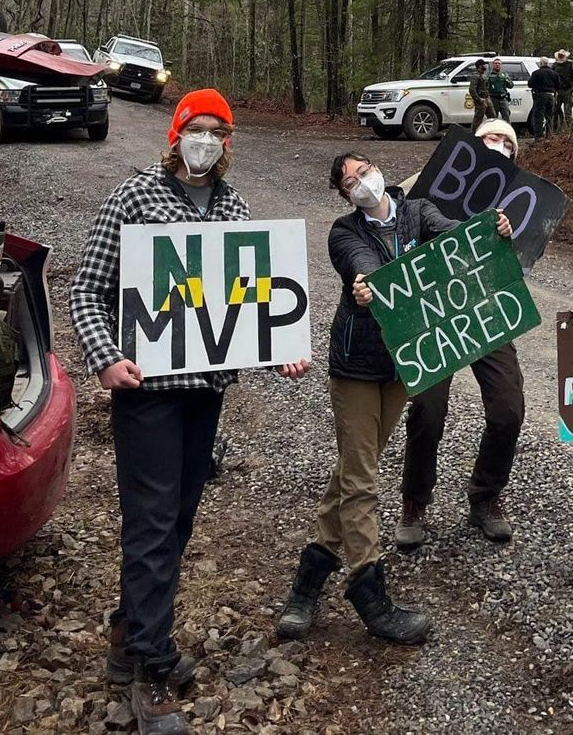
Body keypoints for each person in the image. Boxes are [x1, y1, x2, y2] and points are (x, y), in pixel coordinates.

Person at [69, 88, 311, 735]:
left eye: (218, 131)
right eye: (196, 128)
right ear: (175, 135)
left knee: (174, 522)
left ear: (229, 143)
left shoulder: (236, 209)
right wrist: (103, 357)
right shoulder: (133, 196)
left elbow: (246, 310)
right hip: (147, 395)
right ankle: (152, 669)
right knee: (150, 525)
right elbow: (88, 288)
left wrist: (280, 351)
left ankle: (127, 634)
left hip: (205, 395)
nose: (206, 140)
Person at [276, 153, 512, 646]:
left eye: (364, 172)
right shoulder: (344, 232)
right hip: (358, 368)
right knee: (361, 480)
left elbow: (452, 233)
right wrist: (365, 284)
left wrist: (493, 229)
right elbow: (359, 266)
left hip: (403, 364)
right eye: (349, 181)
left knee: (349, 475)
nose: (360, 182)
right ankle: (369, 592)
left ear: (377, 172)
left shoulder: (417, 211)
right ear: (343, 195)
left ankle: (307, 583)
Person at [396, 119, 525, 548]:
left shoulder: (517, 203)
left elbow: (525, 262)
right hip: (434, 310)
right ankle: (414, 503)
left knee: (508, 408)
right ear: (473, 142)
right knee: (428, 413)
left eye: (508, 142)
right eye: (492, 137)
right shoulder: (426, 181)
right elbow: (393, 229)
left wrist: (509, 233)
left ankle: (485, 497)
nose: (499, 144)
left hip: (487, 307)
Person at [527, 58, 559, 140]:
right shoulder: (554, 73)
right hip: (551, 96)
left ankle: (539, 135)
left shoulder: (536, 73)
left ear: (541, 63)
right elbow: (558, 85)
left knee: (539, 115)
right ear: (547, 63)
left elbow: (530, 84)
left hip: (540, 95)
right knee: (549, 115)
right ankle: (549, 134)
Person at [551, 49, 573, 133]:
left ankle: (569, 131)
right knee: (555, 111)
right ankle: (556, 130)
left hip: (567, 90)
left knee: (568, 113)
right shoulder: (555, 65)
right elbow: (552, 78)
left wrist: (571, 90)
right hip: (558, 91)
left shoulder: (571, 65)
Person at [486, 57, 514, 122]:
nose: (497, 65)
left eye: (499, 63)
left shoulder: (504, 74)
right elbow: (484, 86)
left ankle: (506, 130)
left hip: (503, 98)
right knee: (492, 118)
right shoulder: (489, 75)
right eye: (495, 63)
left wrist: (506, 80)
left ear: (501, 65)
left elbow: (511, 85)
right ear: (493, 65)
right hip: (493, 99)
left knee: (506, 116)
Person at [469, 59, 493, 126]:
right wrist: (479, 99)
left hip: (487, 99)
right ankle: (474, 135)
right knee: (478, 119)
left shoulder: (483, 75)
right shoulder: (475, 76)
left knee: (493, 118)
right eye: (484, 65)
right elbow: (472, 90)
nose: (485, 66)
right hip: (481, 101)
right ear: (480, 66)